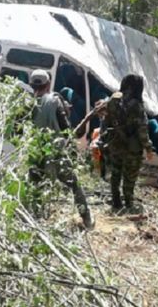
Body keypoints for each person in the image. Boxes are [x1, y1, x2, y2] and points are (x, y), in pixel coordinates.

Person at [28, 69, 93, 229]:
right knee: (74, 185)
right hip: (56, 154)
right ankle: (87, 219)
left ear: (31, 85)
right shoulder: (55, 100)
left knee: (35, 188)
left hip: (36, 153)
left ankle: (35, 222)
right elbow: (65, 128)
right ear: (48, 83)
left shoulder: (28, 103)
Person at [101, 73, 153, 212]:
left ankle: (116, 201)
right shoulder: (137, 105)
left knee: (115, 173)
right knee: (130, 177)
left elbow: (106, 122)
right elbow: (142, 130)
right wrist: (148, 148)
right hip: (132, 148)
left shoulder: (113, 100)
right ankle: (129, 203)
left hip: (114, 144)